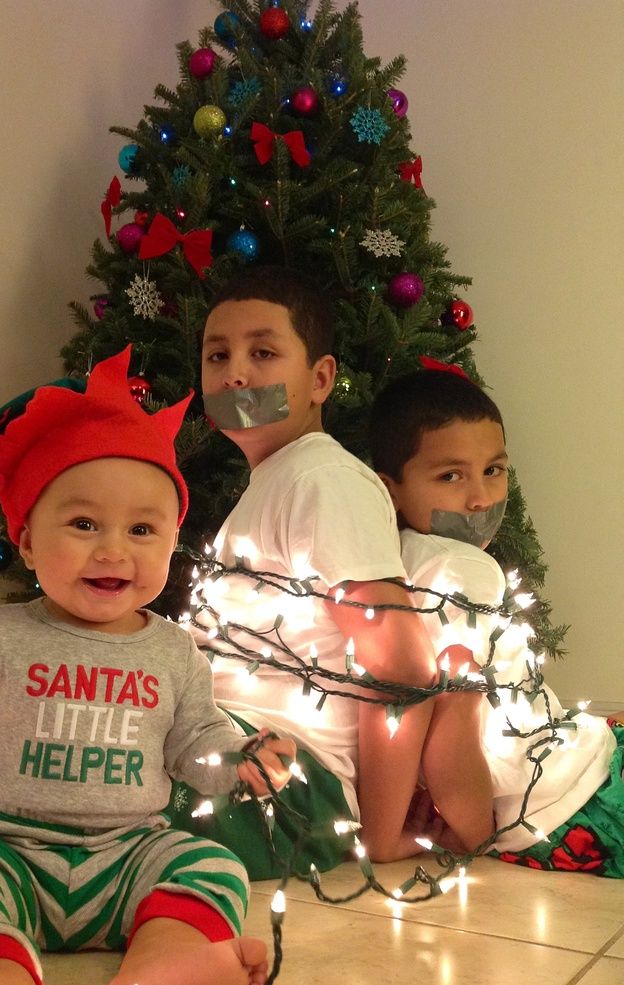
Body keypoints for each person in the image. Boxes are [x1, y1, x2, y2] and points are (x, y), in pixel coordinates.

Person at [0, 346, 297, 985]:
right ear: (24, 539)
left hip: (130, 854)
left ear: (171, 543)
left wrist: (242, 759)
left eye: (141, 530)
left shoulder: (172, 650)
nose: (113, 550)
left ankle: (171, 961)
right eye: (83, 523)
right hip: (2, 849)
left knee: (212, 868)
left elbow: (196, 741)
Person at [167, 265, 495, 876]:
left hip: (290, 784)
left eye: (262, 352)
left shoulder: (323, 479)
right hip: (224, 742)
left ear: (320, 379)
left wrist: (380, 833)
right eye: (218, 355)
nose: (235, 373)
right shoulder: (277, 480)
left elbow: (401, 666)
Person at [369, 365, 624, 876]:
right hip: (576, 801)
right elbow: (455, 715)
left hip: (560, 782)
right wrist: (479, 838)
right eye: (451, 476)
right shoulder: (464, 570)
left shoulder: (397, 561)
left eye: (494, 470)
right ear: (390, 488)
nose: (482, 498)